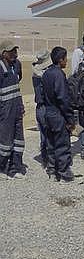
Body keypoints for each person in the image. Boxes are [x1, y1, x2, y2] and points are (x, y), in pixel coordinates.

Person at [40, 47, 77, 183]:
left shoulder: (46, 73)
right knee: (62, 144)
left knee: (51, 143)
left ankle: (52, 170)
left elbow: (42, 94)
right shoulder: (59, 74)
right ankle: (64, 173)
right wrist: (70, 118)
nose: (66, 61)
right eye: (65, 58)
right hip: (58, 113)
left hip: (48, 112)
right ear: (60, 59)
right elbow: (63, 98)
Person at [0, 41, 26, 179]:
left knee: (18, 140)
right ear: (3, 53)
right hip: (5, 110)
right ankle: (2, 169)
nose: (14, 54)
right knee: (5, 141)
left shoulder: (17, 65)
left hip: (17, 108)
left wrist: (20, 106)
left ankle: (15, 168)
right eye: (11, 52)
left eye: (15, 51)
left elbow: (17, 84)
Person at [31, 51, 54, 177]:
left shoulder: (35, 73)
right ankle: (51, 163)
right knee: (50, 135)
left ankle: (45, 158)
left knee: (43, 135)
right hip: (47, 106)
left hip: (39, 107)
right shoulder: (45, 75)